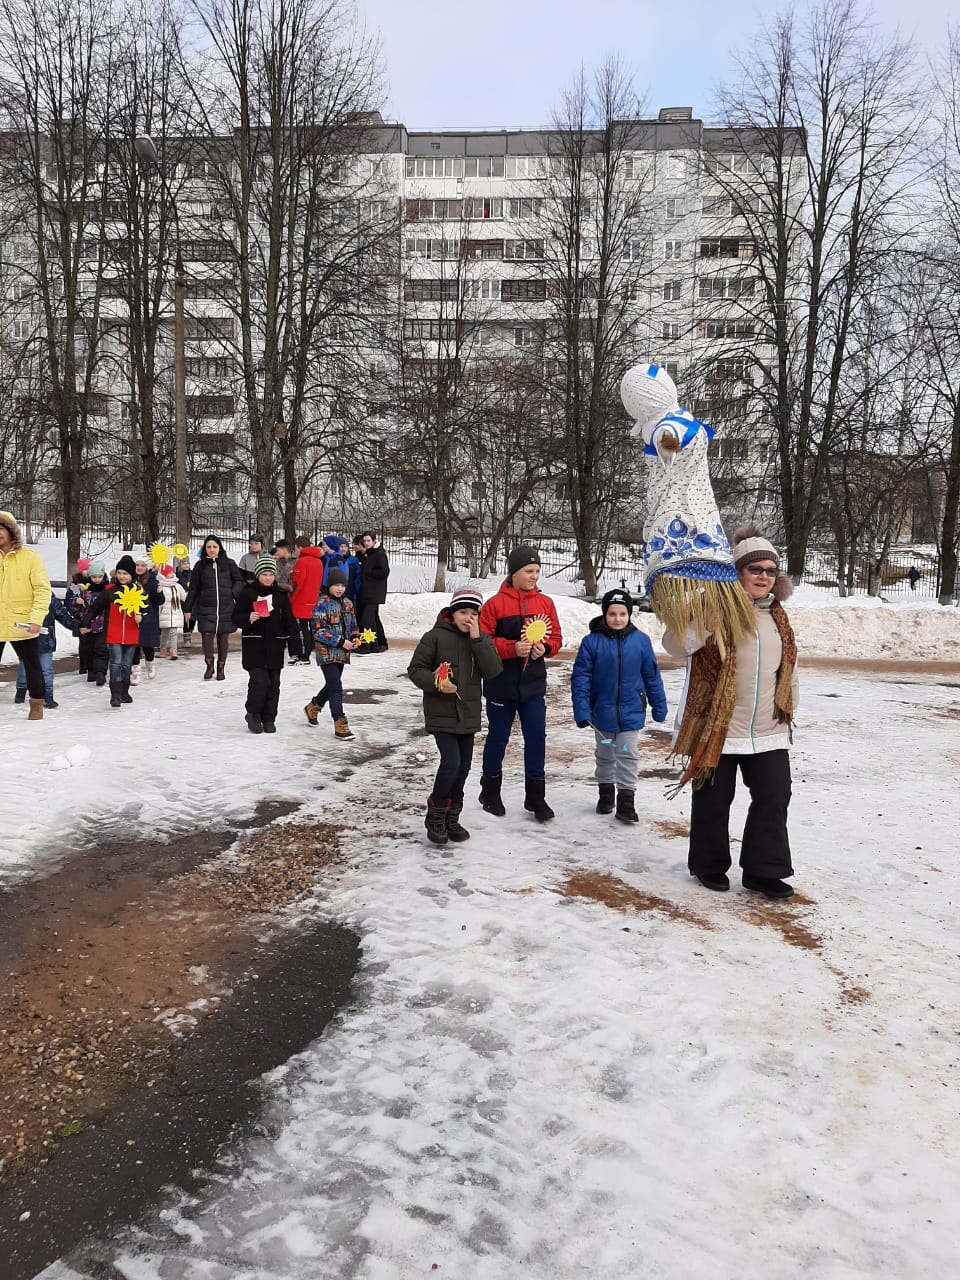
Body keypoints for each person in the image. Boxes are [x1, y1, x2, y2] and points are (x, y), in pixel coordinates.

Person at [662, 526, 799, 899]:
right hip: (718, 726)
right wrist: (702, 624)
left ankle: (763, 871)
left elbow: (786, 669)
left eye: (771, 571)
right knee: (713, 798)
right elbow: (674, 645)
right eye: (755, 569)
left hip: (767, 727)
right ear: (737, 571)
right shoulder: (714, 607)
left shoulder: (778, 616)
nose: (764, 577)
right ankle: (708, 865)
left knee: (774, 796)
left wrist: (789, 708)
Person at [407, 587, 503, 845]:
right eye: (463, 612)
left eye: (473, 613)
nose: (467, 618)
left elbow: (493, 670)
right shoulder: (435, 637)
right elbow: (416, 670)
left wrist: (477, 639)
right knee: (451, 763)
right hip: (442, 713)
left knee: (463, 768)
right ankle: (436, 812)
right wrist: (437, 683)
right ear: (452, 612)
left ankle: (452, 816)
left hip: (468, 714)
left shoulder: (480, 638)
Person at [478, 545, 563, 822]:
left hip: (533, 686)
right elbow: (482, 642)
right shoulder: (494, 605)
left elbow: (556, 638)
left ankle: (536, 797)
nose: (534, 576)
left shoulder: (545, 603)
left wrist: (545, 649)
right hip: (500, 684)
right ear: (513, 572)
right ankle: (489, 792)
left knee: (537, 738)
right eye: (528, 571)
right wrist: (511, 648)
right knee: (499, 737)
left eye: (537, 571)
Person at [571, 588, 668, 823]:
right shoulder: (591, 643)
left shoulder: (641, 642)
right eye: (612, 613)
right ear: (605, 614)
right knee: (605, 754)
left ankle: (626, 801)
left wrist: (658, 704)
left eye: (622, 614)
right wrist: (583, 711)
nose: (617, 618)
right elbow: (581, 679)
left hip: (631, 713)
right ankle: (606, 793)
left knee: (627, 753)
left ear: (629, 614)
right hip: (601, 715)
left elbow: (652, 676)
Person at [80, 554, 159, 708]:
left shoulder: (139, 592)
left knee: (126, 665)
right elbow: (95, 608)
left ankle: (124, 691)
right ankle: (115, 695)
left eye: (126, 573)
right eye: (120, 573)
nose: (122, 576)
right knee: (116, 663)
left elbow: (148, 611)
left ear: (132, 575)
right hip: (113, 633)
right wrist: (85, 622)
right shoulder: (110, 591)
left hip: (131, 634)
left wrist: (141, 617)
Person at [232, 554, 296, 734]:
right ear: (258, 574)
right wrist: (248, 618)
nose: (268, 578)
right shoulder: (248, 592)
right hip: (255, 647)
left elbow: (289, 621)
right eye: (264, 574)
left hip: (275, 646)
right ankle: (253, 714)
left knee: (274, 684)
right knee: (260, 682)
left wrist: (294, 647)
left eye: (271, 574)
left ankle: (269, 717)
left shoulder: (281, 595)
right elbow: (236, 618)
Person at [0, 510, 52, 720]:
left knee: (32, 665)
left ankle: (36, 706)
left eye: (1, 529)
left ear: (11, 532)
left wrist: (35, 619)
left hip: (21, 622)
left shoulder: (30, 558)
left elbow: (42, 590)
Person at [303, 567, 360, 740]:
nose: (339, 588)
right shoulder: (322, 604)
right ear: (329, 585)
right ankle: (340, 723)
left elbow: (353, 625)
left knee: (331, 685)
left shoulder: (348, 603)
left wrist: (356, 637)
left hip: (342, 652)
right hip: (326, 651)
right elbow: (318, 631)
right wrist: (342, 641)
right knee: (336, 687)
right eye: (336, 584)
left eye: (342, 585)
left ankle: (314, 706)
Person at [183, 535, 244, 680]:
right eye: (209, 547)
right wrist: (187, 608)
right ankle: (209, 665)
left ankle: (221, 667)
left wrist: (232, 593)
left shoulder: (229, 563)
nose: (211, 550)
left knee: (223, 637)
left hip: (225, 606)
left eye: (214, 547)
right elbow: (194, 589)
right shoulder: (200, 566)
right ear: (205, 549)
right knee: (207, 636)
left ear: (219, 548)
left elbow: (239, 580)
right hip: (206, 607)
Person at [14, 594, 77, 710]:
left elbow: (61, 614)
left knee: (45, 669)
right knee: (25, 666)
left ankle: (48, 696)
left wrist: (77, 626)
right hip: (26, 638)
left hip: (45, 639)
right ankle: (21, 691)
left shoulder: (48, 596)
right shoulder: (22, 593)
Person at [67, 561, 109, 685]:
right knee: (87, 649)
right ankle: (90, 670)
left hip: (102, 625)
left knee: (101, 649)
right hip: (87, 624)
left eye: (99, 576)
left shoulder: (107, 589)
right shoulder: (80, 587)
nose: (96, 579)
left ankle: (101, 672)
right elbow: (69, 599)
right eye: (94, 576)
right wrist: (76, 604)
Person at [289, 534, 324, 663]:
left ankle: (304, 655)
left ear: (299, 547)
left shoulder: (302, 562)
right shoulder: (318, 561)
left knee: (302, 630)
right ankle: (307, 653)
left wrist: (291, 598)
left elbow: (298, 583)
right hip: (312, 600)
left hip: (301, 601)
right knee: (309, 628)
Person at [355, 530, 389, 653]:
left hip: (374, 593)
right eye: (364, 541)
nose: (366, 543)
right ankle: (375, 644)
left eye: (368, 540)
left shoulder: (379, 554)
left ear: (374, 541)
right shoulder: (369, 554)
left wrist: (368, 572)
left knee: (366, 621)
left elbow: (384, 571)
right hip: (367, 591)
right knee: (373, 620)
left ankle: (366, 645)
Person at [130, 557, 161, 683]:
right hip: (134, 617)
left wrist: (159, 592)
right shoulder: (130, 580)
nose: (139, 567)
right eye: (137, 564)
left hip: (149, 617)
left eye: (142, 565)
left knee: (148, 646)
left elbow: (159, 602)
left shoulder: (152, 581)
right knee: (135, 646)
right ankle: (136, 673)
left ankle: (150, 664)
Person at [158, 564, 187, 659]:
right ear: (164, 574)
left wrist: (191, 594)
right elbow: (158, 599)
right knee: (164, 634)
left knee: (173, 633)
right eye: (169, 573)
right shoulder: (161, 585)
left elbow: (184, 597)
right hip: (164, 613)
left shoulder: (177, 586)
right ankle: (162, 649)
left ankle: (173, 651)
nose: (172, 574)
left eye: (172, 572)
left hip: (175, 613)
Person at [176, 558, 195, 647]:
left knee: (193, 618)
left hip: (192, 598)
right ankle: (186, 638)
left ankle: (190, 633)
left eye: (187, 563)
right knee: (185, 618)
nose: (186, 565)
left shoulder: (193, 574)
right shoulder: (179, 575)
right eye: (184, 563)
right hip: (183, 599)